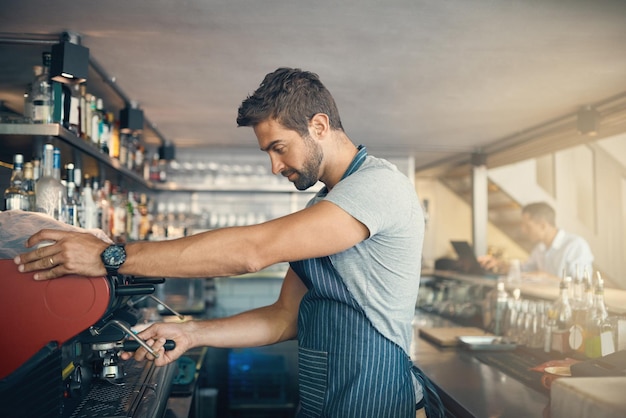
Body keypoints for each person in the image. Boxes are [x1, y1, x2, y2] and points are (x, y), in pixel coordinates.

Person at [14, 68, 443, 418]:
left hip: (378, 403)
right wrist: (192, 333)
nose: (275, 166)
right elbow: (282, 318)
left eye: (279, 148)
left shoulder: (376, 187)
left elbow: (251, 251)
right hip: (324, 401)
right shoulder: (327, 203)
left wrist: (111, 258)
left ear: (319, 126)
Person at [479, 201, 594, 278]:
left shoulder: (576, 245)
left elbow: (583, 286)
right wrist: (499, 264)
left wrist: (545, 277)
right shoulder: (539, 248)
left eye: (527, 226)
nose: (523, 231)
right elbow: (524, 270)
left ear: (543, 225)